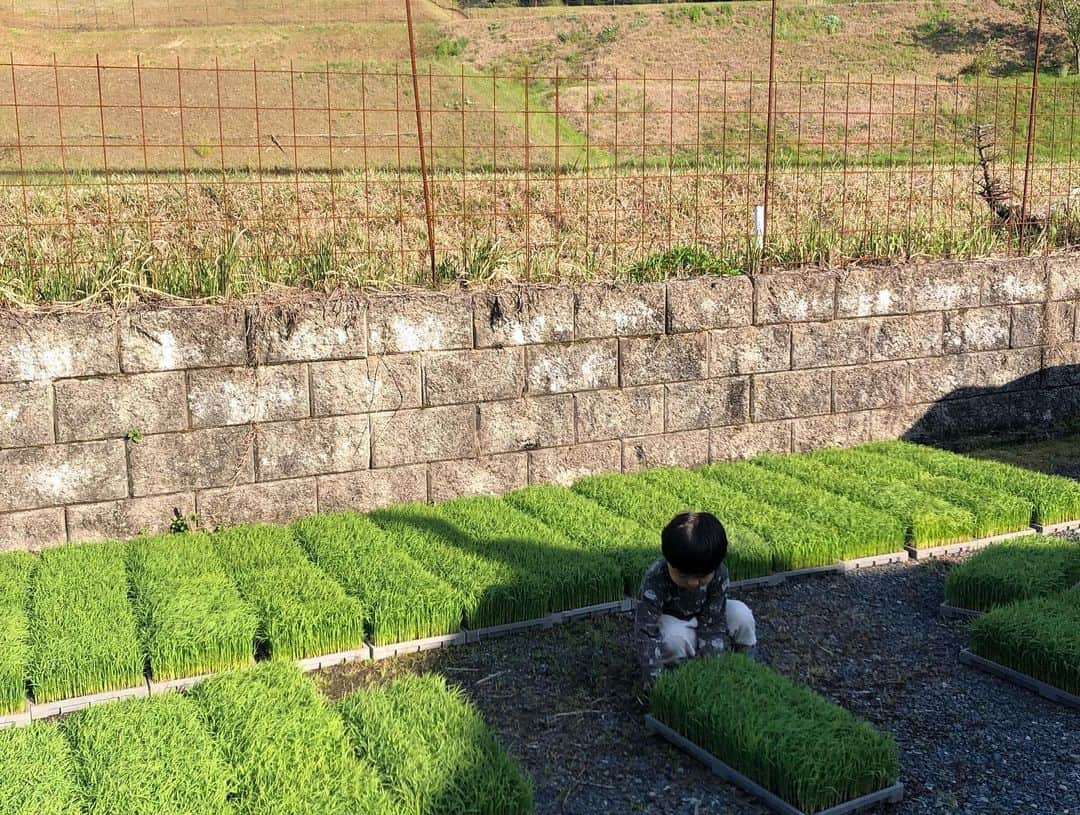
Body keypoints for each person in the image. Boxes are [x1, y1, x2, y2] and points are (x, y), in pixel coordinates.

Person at [634, 511, 757, 696]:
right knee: (674, 640)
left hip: (705, 616)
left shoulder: (719, 573)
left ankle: (742, 664)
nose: (692, 583)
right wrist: (654, 680)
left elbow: (714, 620)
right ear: (669, 562)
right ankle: (679, 674)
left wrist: (711, 665)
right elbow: (645, 631)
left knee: (742, 615)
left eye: (701, 577)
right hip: (674, 621)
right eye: (683, 576)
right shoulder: (656, 577)